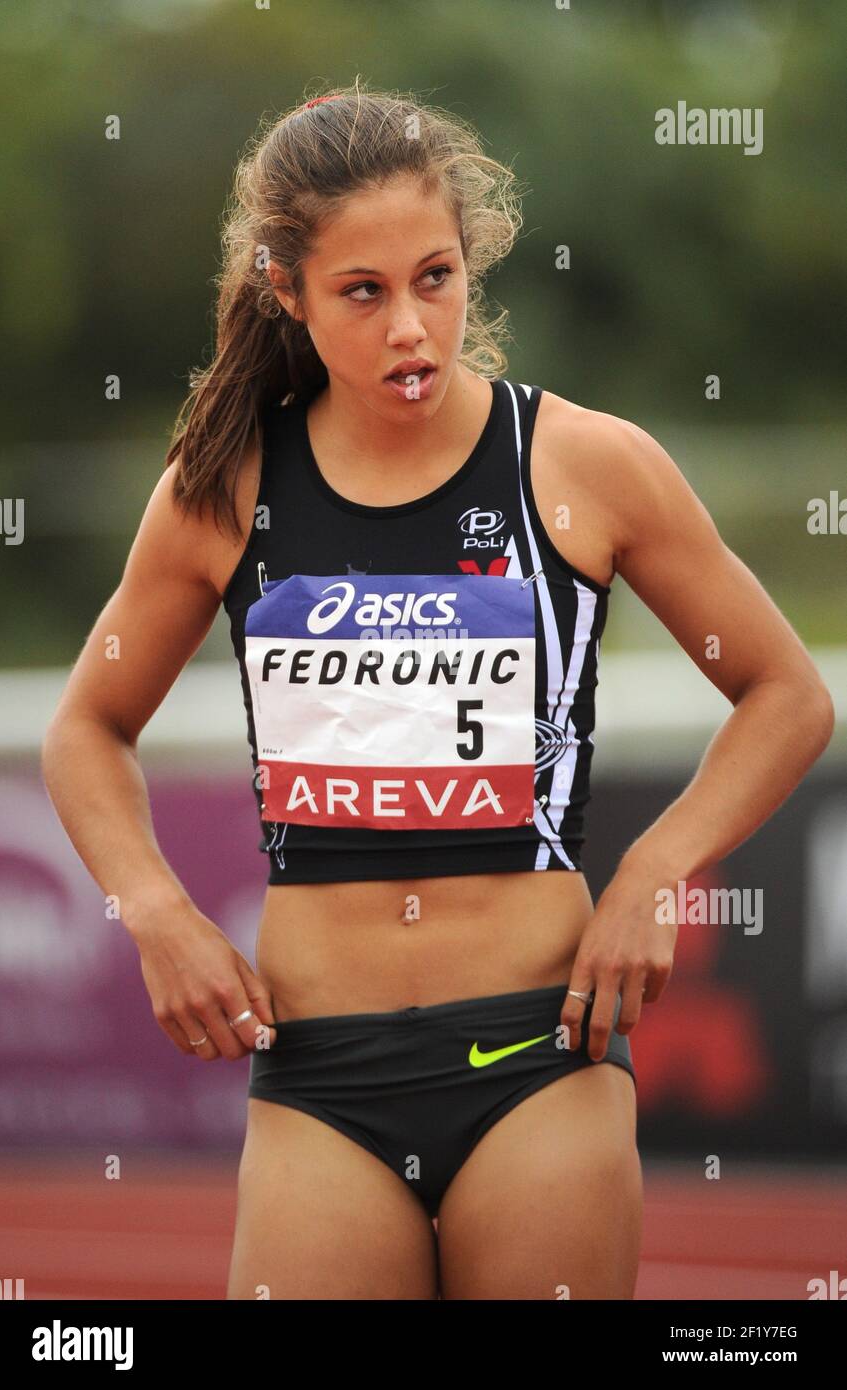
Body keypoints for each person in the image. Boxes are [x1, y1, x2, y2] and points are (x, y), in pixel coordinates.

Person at [41, 79, 834, 1301]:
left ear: (472, 264)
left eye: (436, 277)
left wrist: (653, 872)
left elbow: (785, 692)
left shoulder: (583, 465)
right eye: (362, 292)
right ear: (286, 290)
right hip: (320, 1079)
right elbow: (89, 726)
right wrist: (153, 909)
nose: (410, 326)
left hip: (536, 1054)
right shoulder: (223, 488)